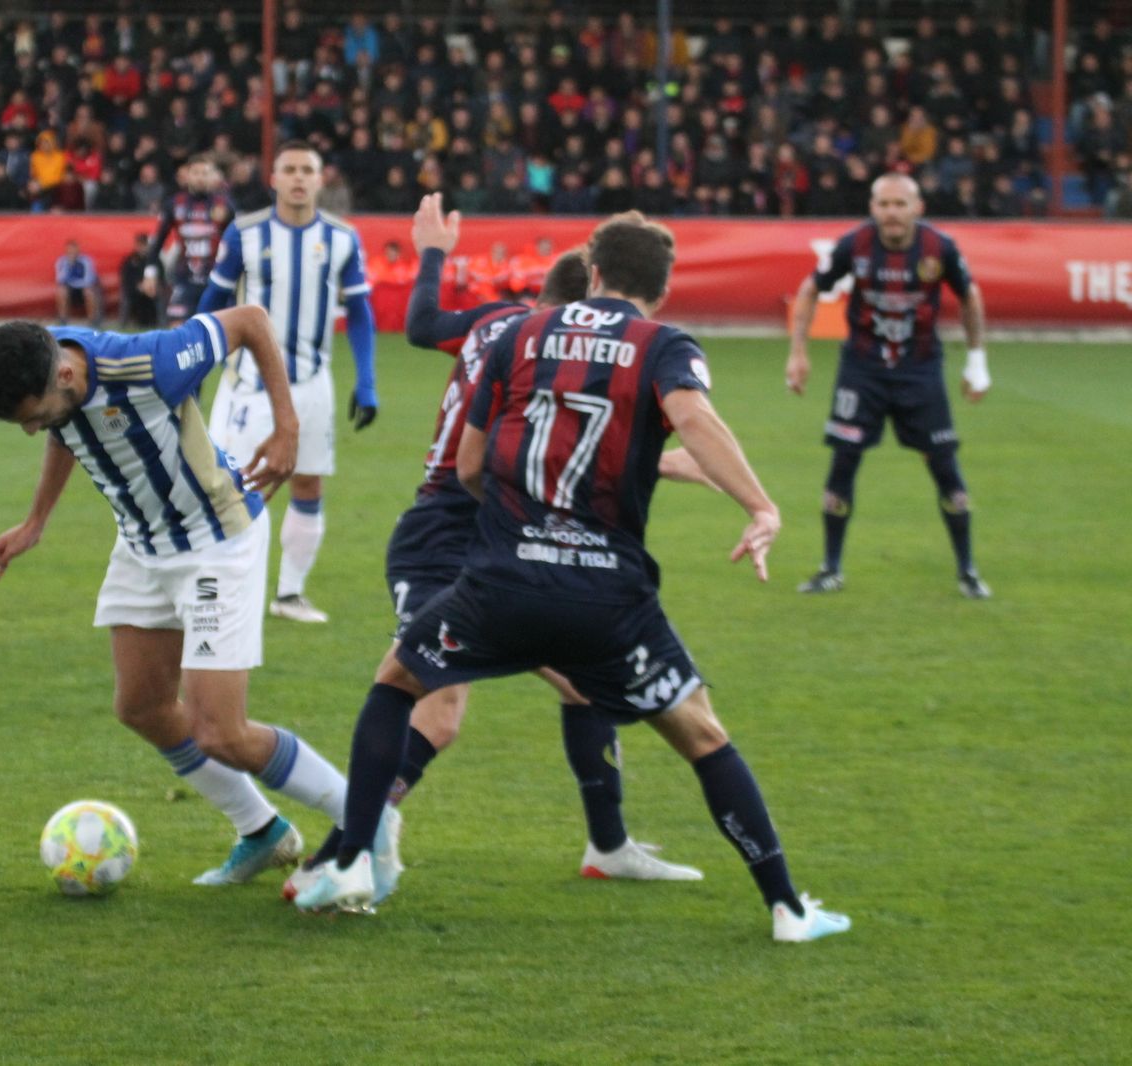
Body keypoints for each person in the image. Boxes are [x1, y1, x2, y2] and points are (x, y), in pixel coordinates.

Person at [293, 215, 851, 944]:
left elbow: (470, 466)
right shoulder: (664, 344)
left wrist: (520, 524)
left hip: (501, 581)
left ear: (593, 274)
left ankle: (352, 859)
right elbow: (695, 419)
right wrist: (761, 507)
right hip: (607, 599)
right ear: (662, 289)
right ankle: (787, 909)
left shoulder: (519, 333)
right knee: (704, 736)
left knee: (397, 682)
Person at [284, 199, 709, 902]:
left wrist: (432, 252)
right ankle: (337, 856)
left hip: (492, 532)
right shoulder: (547, 346)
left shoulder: (495, 324)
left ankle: (607, 845)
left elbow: (428, 331)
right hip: (452, 535)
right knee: (435, 709)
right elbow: (554, 446)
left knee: (578, 680)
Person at [0, 307, 380, 886]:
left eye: (33, 418)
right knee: (141, 707)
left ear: (64, 376)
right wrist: (36, 521)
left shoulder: (150, 363)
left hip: (214, 544)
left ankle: (368, 825)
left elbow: (251, 320)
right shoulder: (48, 365)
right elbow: (65, 429)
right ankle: (262, 831)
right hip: (141, 545)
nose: (33, 430)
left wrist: (288, 428)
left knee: (221, 732)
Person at [198, 141, 380, 624]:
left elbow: (360, 311)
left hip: (312, 385)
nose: (298, 178)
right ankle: (221, 589)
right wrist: (192, 369)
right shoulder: (244, 233)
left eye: (307, 170)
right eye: (290, 169)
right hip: (250, 386)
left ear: (320, 180)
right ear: (273, 179)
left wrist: (366, 381)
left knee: (308, 482)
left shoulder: (342, 238)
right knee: (233, 488)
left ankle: (289, 594)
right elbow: (211, 303)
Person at [785, 173, 991, 598]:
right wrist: (798, 352)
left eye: (900, 204)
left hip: (920, 370)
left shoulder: (939, 248)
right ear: (872, 208)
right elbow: (809, 289)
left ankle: (968, 571)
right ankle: (830, 568)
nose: (892, 212)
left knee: (944, 466)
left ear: (918, 208)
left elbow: (969, 296)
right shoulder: (854, 245)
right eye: (884, 204)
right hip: (862, 371)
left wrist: (977, 361)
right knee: (843, 461)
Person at [150, 154, 231, 322]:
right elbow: (157, 242)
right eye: (196, 173)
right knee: (177, 329)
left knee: (220, 331)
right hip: (184, 279)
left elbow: (238, 244)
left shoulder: (225, 205)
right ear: (187, 176)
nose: (200, 178)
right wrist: (149, 273)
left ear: (212, 177)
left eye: (205, 173)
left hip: (216, 280)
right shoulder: (174, 204)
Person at [53, 238, 103, 328]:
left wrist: (76, 283)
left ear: (78, 250)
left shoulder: (86, 261)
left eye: (74, 250)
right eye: (70, 250)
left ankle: (92, 321)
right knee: (61, 291)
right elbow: (60, 280)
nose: (72, 252)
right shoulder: (62, 261)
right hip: (70, 289)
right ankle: (63, 319)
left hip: (83, 288)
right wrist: (68, 266)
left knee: (88, 292)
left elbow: (89, 280)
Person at [118, 232, 163, 328]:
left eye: (143, 244)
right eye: (139, 244)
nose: (141, 247)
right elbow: (126, 277)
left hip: (152, 289)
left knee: (158, 295)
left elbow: (160, 275)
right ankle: (123, 324)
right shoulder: (130, 260)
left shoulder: (154, 259)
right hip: (135, 289)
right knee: (128, 296)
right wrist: (138, 286)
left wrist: (152, 286)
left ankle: (160, 322)